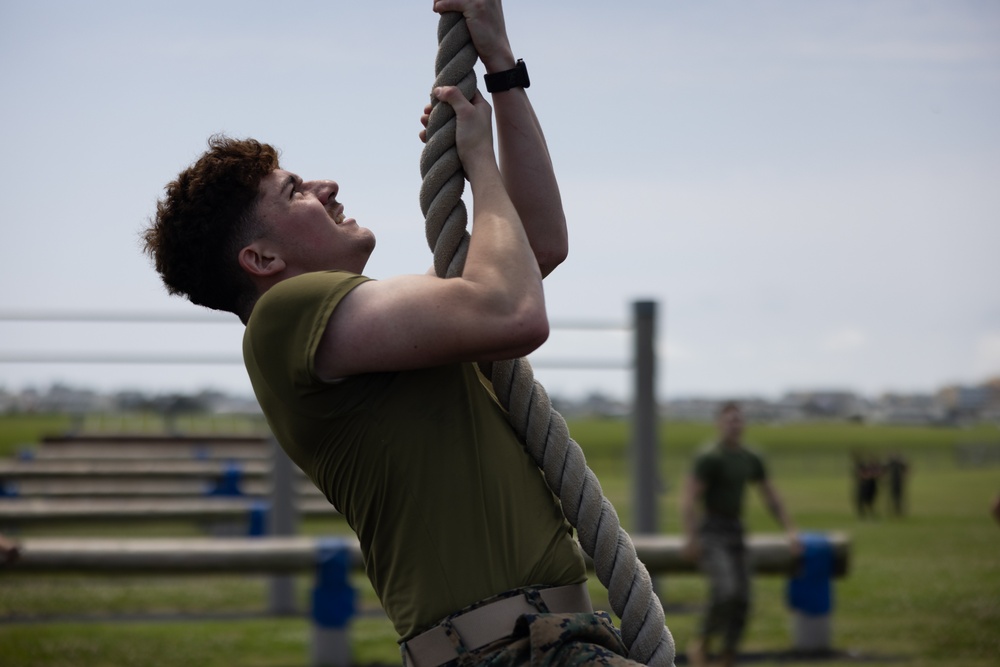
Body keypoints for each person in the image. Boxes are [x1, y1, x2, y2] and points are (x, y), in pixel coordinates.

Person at [143, 1, 645, 665]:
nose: (327, 185)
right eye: (295, 191)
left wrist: (501, 68)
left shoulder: (378, 332)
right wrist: (480, 167)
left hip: (542, 641)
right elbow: (515, 313)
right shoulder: (282, 317)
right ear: (262, 261)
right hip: (506, 650)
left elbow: (537, 246)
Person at [680, 402, 799, 667]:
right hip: (712, 530)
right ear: (719, 424)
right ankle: (702, 641)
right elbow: (690, 498)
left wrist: (790, 530)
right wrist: (691, 537)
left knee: (744, 598)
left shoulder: (749, 457)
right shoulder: (710, 457)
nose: (734, 425)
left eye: (738, 420)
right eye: (729, 420)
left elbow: (770, 495)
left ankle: (727, 654)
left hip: (736, 530)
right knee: (726, 590)